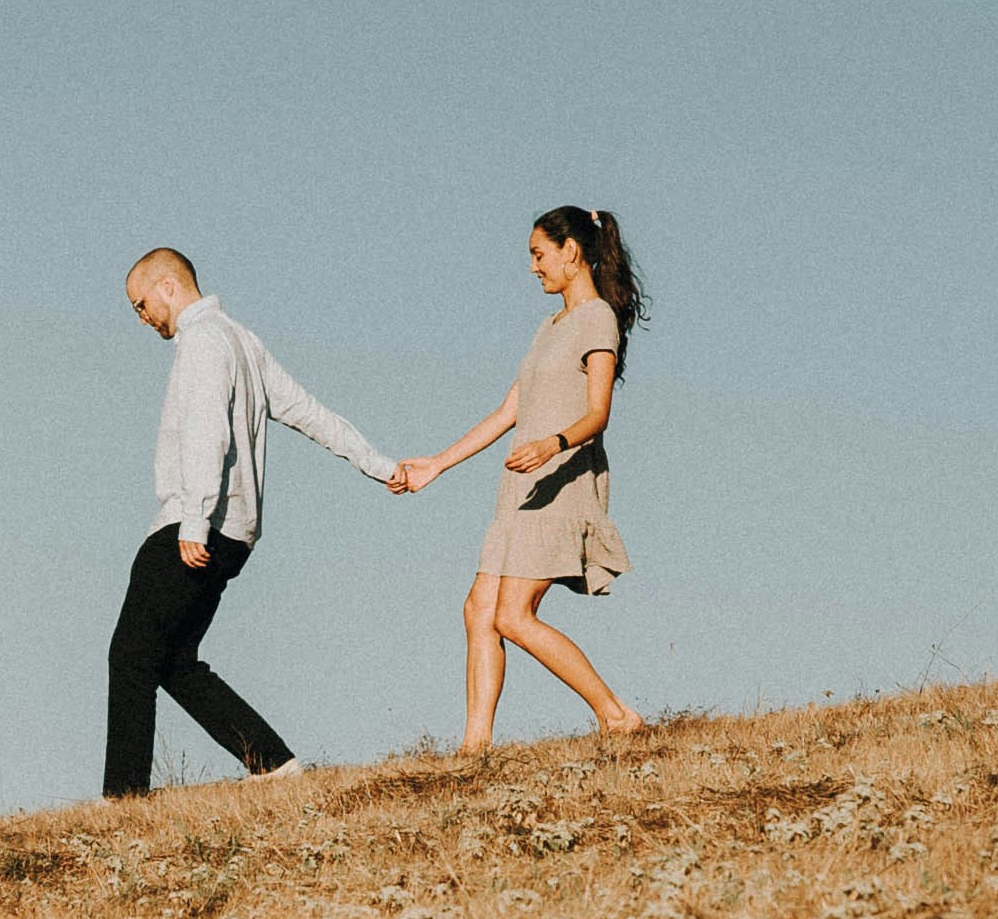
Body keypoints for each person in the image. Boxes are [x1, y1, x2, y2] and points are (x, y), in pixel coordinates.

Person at [107, 247, 402, 797]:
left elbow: (206, 431)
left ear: (168, 286)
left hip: (192, 528)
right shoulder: (242, 340)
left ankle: (123, 800)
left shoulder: (203, 342)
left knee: (129, 656)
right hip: (234, 535)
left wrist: (193, 520)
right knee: (173, 661)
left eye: (141, 304)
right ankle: (274, 763)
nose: (141, 317)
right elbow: (309, 412)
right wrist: (379, 464)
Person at [388, 206, 647, 750]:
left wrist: (551, 444)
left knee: (512, 615)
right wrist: (436, 464)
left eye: (538, 254)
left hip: (562, 481)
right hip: (522, 490)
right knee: (479, 609)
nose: (533, 267)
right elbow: (509, 411)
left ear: (571, 252)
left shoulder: (597, 319)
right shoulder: (548, 327)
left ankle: (616, 714)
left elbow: (598, 413)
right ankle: (474, 747)